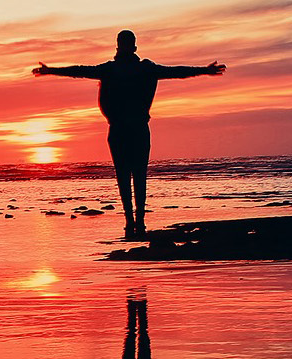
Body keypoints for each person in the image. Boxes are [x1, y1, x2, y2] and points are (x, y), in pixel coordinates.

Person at [33, 30, 224, 239]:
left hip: (123, 129)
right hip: (133, 129)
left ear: (119, 47)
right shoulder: (137, 69)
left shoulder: (122, 69)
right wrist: (204, 71)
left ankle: (133, 220)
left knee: (127, 175)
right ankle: (135, 219)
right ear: (134, 48)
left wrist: (51, 71)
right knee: (135, 175)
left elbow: (175, 71)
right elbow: (81, 70)